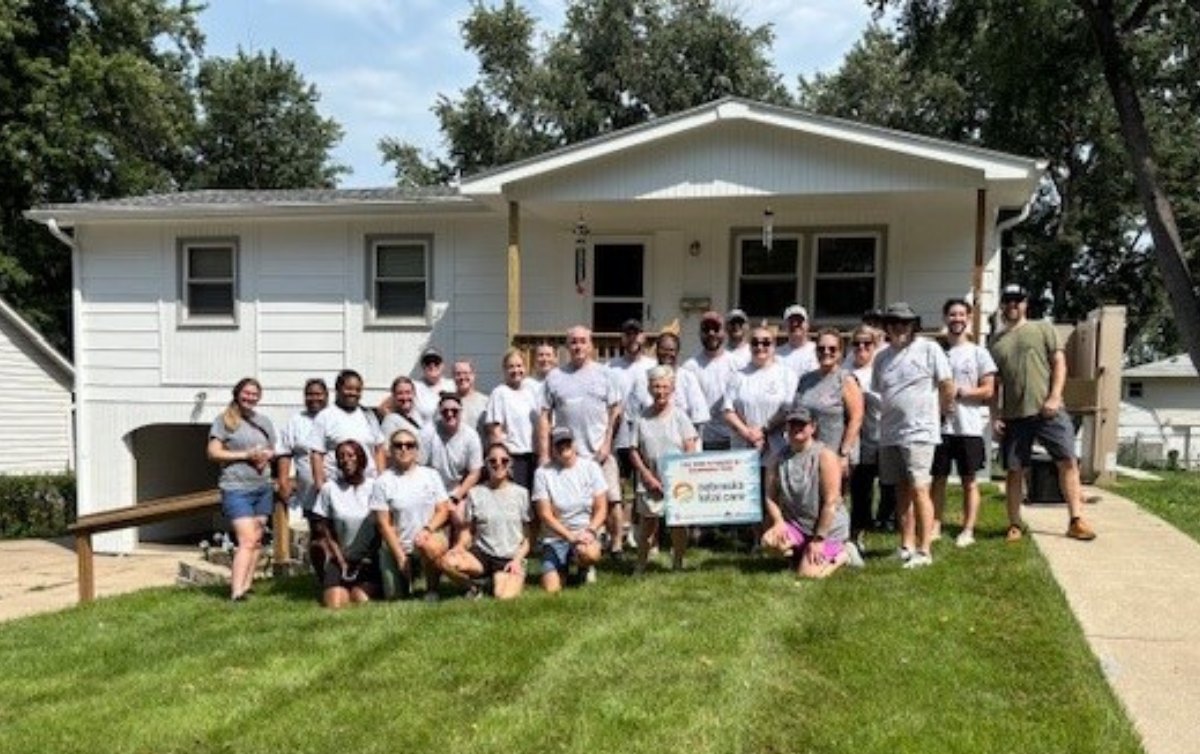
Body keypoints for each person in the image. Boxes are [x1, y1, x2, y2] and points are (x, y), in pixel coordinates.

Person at [989, 284, 1097, 542]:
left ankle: (1076, 520)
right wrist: (995, 416)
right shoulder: (995, 342)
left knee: (1067, 461)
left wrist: (1055, 396)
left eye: (1018, 300)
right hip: (1014, 416)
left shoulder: (1042, 328)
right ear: (1002, 305)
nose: (1013, 305)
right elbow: (995, 384)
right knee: (1014, 470)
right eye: (1008, 300)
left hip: (1048, 411)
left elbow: (1059, 363)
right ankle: (1014, 524)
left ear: (1025, 303)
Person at [871, 302, 954, 569]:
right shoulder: (881, 358)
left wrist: (943, 414)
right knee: (900, 490)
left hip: (920, 432)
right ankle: (906, 545)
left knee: (920, 488)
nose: (900, 327)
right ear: (887, 327)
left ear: (914, 326)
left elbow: (947, 385)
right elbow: (880, 392)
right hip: (890, 432)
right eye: (894, 323)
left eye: (905, 323)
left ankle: (924, 550)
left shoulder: (929, 349)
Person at [538, 325, 623, 552]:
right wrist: (545, 454)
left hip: (598, 450)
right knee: (571, 504)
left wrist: (607, 444)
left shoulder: (605, 374)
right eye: (573, 342)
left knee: (612, 499)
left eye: (583, 341)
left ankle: (616, 545)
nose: (578, 346)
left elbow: (615, 410)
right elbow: (545, 416)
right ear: (567, 346)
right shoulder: (555, 377)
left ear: (591, 344)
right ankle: (572, 546)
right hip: (566, 454)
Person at [761, 405, 862, 578]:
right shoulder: (777, 458)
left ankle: (843, 554)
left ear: (813, 427)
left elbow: (831, 502)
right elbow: (770, 496)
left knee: (808, 575)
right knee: (769, 541)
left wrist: (819, 539)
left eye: (802, 424)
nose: (796, 428)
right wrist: (779, 522)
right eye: (792, 424)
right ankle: (801, 553)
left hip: (828, 528)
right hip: (797, 525)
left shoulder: (825, 456)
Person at [931, 298, 997, 548]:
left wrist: (961, 392)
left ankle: (968, 530)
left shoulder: (979, 353)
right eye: (952, 314)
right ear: (945, 318)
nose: (957, 319)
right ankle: (935, 525)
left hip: (968, 427)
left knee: (969, 480)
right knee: (938, 478)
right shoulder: (937, 352)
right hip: (940, 427)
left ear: (968, 318)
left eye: (961, 314)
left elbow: (989, 390)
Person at [206, 377, 277, 602]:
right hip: (236, 487)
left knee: (256, 539)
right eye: (246, 393)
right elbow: (213, 452)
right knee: (246, 539)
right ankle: (236, 592)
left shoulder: (263, 421)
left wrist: (266, 456)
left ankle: (247, 586)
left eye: (255, 394)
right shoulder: (224, 421)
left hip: (262, 486)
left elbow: (273, 449)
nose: (250, 397)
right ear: (237, 394)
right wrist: (245, 455)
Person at [438, 443, 532, 600]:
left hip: (509, 557)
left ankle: (496, 581)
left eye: (504, 460)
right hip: (481, 555)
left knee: (503, 596)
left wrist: (517, 560)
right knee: (446, 561)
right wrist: (459, 547)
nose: (498, 464)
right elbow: (468, 531)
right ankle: (473, 587)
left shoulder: (521, 494)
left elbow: (528, 538)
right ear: (486, 464)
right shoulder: (475, 493)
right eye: (493, 461)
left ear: (510, 463)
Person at [629, 365, 699, 573]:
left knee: (678, 525)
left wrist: (681, 475)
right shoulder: (641, 418)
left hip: (677, 481)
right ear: (650, 388)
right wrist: (647, 476)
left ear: (672, 389)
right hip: (649, 479)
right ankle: (641, 564)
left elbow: (690, 446)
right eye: (656, 386)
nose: (660, 391)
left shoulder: (680, 416)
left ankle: (678, 562)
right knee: (647, 526)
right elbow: (633, 450)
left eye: (665, 387)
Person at [371, 428, 454, 601]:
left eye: (409, 445)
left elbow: (443, 510)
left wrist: (427, 530)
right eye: (398, 445)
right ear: (390, 450)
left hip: (427, 539)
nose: (404, 449)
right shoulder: (382, 482)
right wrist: (400, 556)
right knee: (394, 597)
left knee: (429, 545)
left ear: (416, 450)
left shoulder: (431, 475)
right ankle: (404, 580)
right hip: (398, 545)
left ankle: (431, 590)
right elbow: (383, 524)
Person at [533, 427, 608, 592]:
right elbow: (544, 514)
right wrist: (570, 537)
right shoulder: (542, 473)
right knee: (551, 589)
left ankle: (585, 567)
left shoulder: (591, 468)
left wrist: (590, 531)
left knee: (590, 554)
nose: (563, 447)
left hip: (585, 534)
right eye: (558, 444)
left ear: (574, 444)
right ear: (552, 448)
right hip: (555, 537)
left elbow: (602, 508)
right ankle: (563, 568)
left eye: (567, 442)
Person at [310, 440, 381, 609]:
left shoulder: (375, 487)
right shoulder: (329, 489)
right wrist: (340, 559)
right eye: (341, 456)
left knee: (360, 598)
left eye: (351, 455)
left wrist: (368, 557)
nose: (346, 460)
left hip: (369, 559)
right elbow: (324, 529)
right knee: (335, 603)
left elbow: (382, 526)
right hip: (340, 558)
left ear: (361, 458)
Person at [607, 318, 656, 557]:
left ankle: (643, 535)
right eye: (628, 333)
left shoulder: (652, 365)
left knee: (643, 488)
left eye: (636, 333)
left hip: (645, 437)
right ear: (622, 338)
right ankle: (619, 532)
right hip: (619, 438)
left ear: (643, 337)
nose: (632, 338)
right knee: (620, 488)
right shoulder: (611, 368)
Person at [846, 325, 897, 545]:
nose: (861, 348)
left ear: (874, 345)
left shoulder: (882, 368)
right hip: (860, 439)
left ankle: (888, 521)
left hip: (884, 435)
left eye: (867, 343)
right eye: (857, 344)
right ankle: (860, 527)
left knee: (889, 484)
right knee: (861, 487)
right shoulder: (846, 370)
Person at [275, 378, 329, 576]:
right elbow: (284, 451)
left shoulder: (334, 417)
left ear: (327, 396)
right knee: (317, 533)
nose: (314, 398)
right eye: (310, 394)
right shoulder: (296, 421)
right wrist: (283, 479)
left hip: (337, 488)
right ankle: (321, 577)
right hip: (310, 491)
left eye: (318, 394)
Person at [793, 327, 863, 481]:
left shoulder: (845, 380)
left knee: (832, 495)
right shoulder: (806, 380)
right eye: (821, 348)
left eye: (832, 348)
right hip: (807, 453)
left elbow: (856, 418)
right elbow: (797, 413)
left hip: (835, 454)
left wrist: (844, 453)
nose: (826, 352)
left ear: (840, 352)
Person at [723, 325, 799, 466]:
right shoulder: (737, 376)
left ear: (774, 345)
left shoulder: (787, 375)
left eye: (766, 342)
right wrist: (747, 433)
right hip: (743, 453)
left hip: (777, 451)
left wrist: (762, 431)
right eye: (755, 342)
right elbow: (728, 411)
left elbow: (788, 410)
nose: (760, 346)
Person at [308, 369, 386, 489]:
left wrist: (380, 479)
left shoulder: (368, 416)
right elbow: (316, 454)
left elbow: (379, 448)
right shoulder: (325, 416)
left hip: (368, 486)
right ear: (338, 389)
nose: (353, 393)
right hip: (337, 486)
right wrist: (320, 485)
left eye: (358, 390)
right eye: (349, 388)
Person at [423, 393, 484, 528]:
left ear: (461, 412)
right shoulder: (428, 432)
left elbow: (475, 472)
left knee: (460, 518)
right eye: (445, 411)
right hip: (431, 490)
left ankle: (458, 542)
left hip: (457, 490)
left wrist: (456, 497)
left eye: (454, 411)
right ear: (439, 413)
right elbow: (420, 467)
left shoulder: (471, 436)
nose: (450, 414)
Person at [484, 348, 542, 490]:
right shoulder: (499, 393)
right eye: (511, 367)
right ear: (504, 370)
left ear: (525, 367)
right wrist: (503, 462)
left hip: (534, 456)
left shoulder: (532, 390)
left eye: (519, 366)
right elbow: (495, 431)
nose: (516, 370)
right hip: (514, 458)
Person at [681, 311, 739, 451]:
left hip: (733, 439)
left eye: (716, 329)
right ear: (700, 333)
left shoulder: (737, 364)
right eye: (706, 329)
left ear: (724, 332)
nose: (711, 333)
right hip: (701, 440)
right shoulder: (689, 367)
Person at [630, 331, 708, 434]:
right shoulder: (643, 379)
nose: (667, 353)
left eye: (671, 350)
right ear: (656, 350)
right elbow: (631, 417)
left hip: (683, 440)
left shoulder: (688, 378)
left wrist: (691, 441)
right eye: (663, 349)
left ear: (677, 352)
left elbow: (699, 418)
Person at [379, 376, 424, 449]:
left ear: (414, 394)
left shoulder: (418, 417)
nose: (405, 397)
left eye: (408, 392)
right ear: (394, 396)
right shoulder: (390, 420)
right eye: (400, 393)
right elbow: (385, 450)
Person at [414, 346, 454, 426]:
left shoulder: (452, 385)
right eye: (428, 362)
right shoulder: (414, 386)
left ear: (442, 365)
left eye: (436, 361)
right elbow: (389, 405)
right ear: (422, 366)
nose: (432, 365)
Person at [776, 304, 818, 378]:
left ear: (807, 325)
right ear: (785, 326)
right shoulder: (777, 355)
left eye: (799, 321)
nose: (795, 324)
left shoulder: (818, 351)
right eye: (791, 321)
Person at [452, 359, 490, 435]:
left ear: (473, 375)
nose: (462, 377)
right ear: (453, 377)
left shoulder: (486, 402)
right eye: (458, 374)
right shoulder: (448, 403)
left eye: (466, 373)